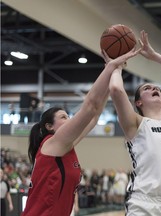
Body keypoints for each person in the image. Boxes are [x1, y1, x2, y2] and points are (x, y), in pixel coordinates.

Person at [21, 47, 140, 216]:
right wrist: (110, 68)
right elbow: (90, 106)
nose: (69, 119)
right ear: (49, 127)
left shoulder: (65, 147)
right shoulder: (52, 143)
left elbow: (94, 116)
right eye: (63, 117)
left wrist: (114, 70)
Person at [108, 31, 161, 215]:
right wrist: (115, 66)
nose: (154, 88)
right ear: (138, 102)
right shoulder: (135, 122)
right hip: (145, 204)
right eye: (147, 88)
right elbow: (116, 89)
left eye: (156, 88)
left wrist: (154, 56)